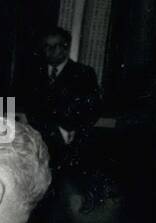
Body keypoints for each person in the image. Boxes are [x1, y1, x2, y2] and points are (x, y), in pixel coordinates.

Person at [22, 26, 101, 173]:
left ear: (66, 48)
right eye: (47, 46)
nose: (51, 50)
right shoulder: (33, 73)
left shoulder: (84, 74)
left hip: (70, 146)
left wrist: (69, 131)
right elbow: (30, 107)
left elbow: (91, 109)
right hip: (38, 144)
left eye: (56, 46)